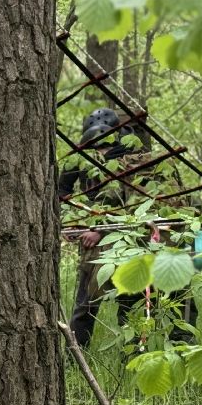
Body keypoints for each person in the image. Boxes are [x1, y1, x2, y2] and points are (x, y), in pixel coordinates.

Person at [62, 106, 148, 348]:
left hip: (127, 241)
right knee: (85, 306)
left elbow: (135, 204)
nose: (102, 152)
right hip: (93, 247)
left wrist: (102, 229)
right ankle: (75, 358)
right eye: (97, 146)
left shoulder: (131, 160)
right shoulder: (80, 159)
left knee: (129, 304)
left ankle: (134, 357)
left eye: (107, 145)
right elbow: (62, 193)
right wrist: (73, 223)